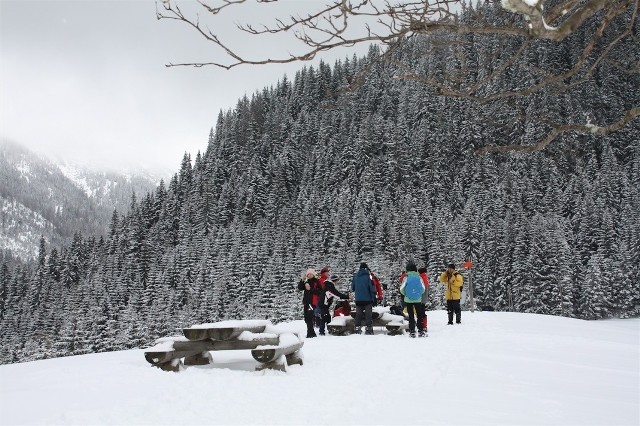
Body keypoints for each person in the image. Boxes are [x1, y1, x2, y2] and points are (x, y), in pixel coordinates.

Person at [399, 261, 426, 337]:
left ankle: (412, 331)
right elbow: (423, 288)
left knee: (411, 315)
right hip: (417, 299)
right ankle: (421, 331)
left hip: (408, 299)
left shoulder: (406, 278)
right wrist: (418, 294)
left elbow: (401, 289)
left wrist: (406, 294)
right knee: (419, 315)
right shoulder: (419, 277)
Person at [351, 262, 376, 335]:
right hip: (367, 299)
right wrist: (374, 298)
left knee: (358, 314)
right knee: (368, 315)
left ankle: (357, 328)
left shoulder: (355, 277)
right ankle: (369, 328)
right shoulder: (368, 277)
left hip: (358, 299)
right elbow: (372, 288)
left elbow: (352, 288)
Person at [297, 268, 320, 338]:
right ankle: (312, 332)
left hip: (312, 302)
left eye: (311, 274)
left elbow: (319, 291)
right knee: (306, 318)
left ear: (313, 274)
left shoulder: (316, 281)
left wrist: (311, 289)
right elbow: (300, 288)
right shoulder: (306, 281)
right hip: (306, 302)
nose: (309, 275)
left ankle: (309, 333)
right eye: (308, 274)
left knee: (309, 317)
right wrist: (302, 280)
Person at [313, 266, 331, 334]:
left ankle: (323, 330)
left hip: (321, 301)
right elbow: (324, 290)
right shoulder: (322, 280)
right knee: (323, 316)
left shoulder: (323, 279)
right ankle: (323, 330)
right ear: (324, 273)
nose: (328, 273)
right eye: (327, 272)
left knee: (324, 315)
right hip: (321, 301)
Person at [418, 267, 430, 332]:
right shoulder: (425, 277)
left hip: (420, 298)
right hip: (424, 298)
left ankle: (423, 326)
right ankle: (424, 326)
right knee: (423, 312)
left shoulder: (421, 278)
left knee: (421, 313)